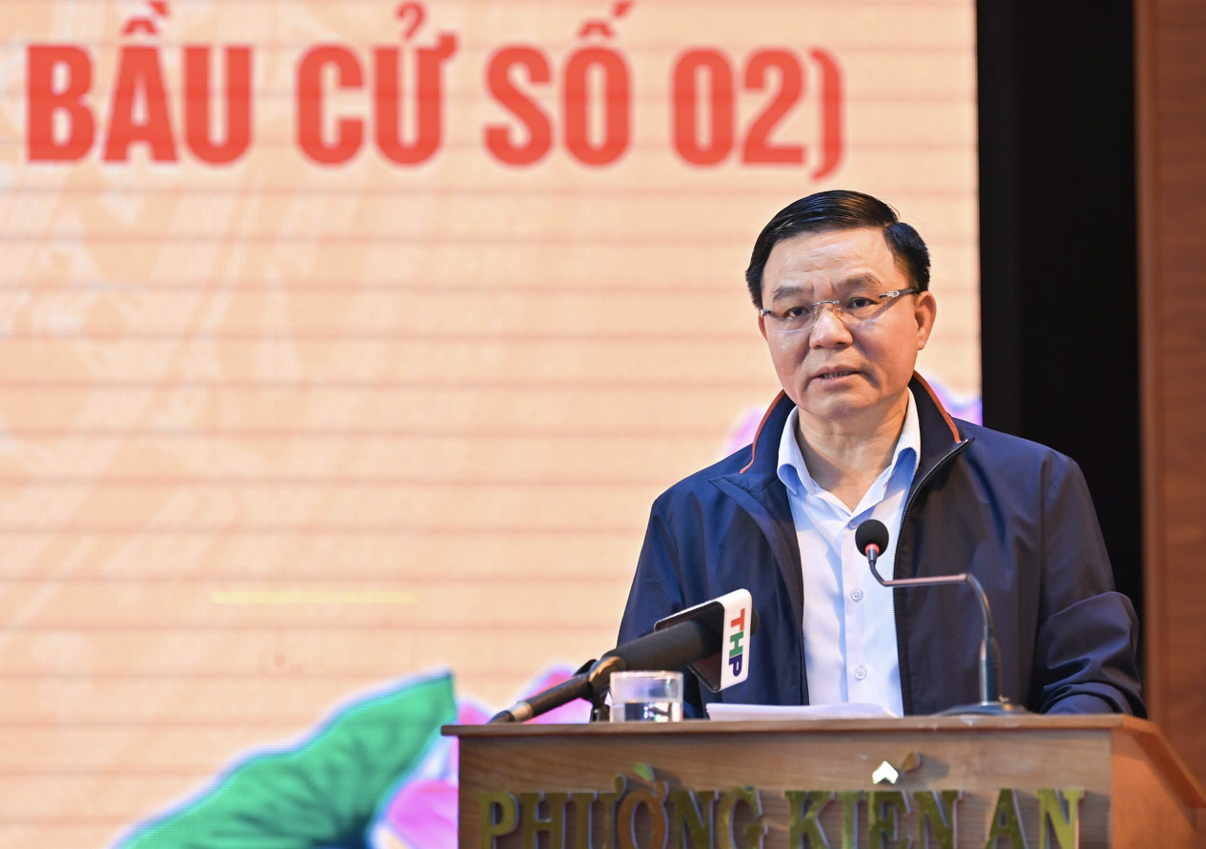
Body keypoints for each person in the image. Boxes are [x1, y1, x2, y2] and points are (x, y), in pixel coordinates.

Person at [617, 190, 1144, 718]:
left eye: (859, 302)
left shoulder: (1033, 487)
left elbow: (1093, 687)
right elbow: (645, 708)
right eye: (795, 310)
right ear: (767, 331)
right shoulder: (692, 517)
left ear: (921, 319)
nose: (827, 334)